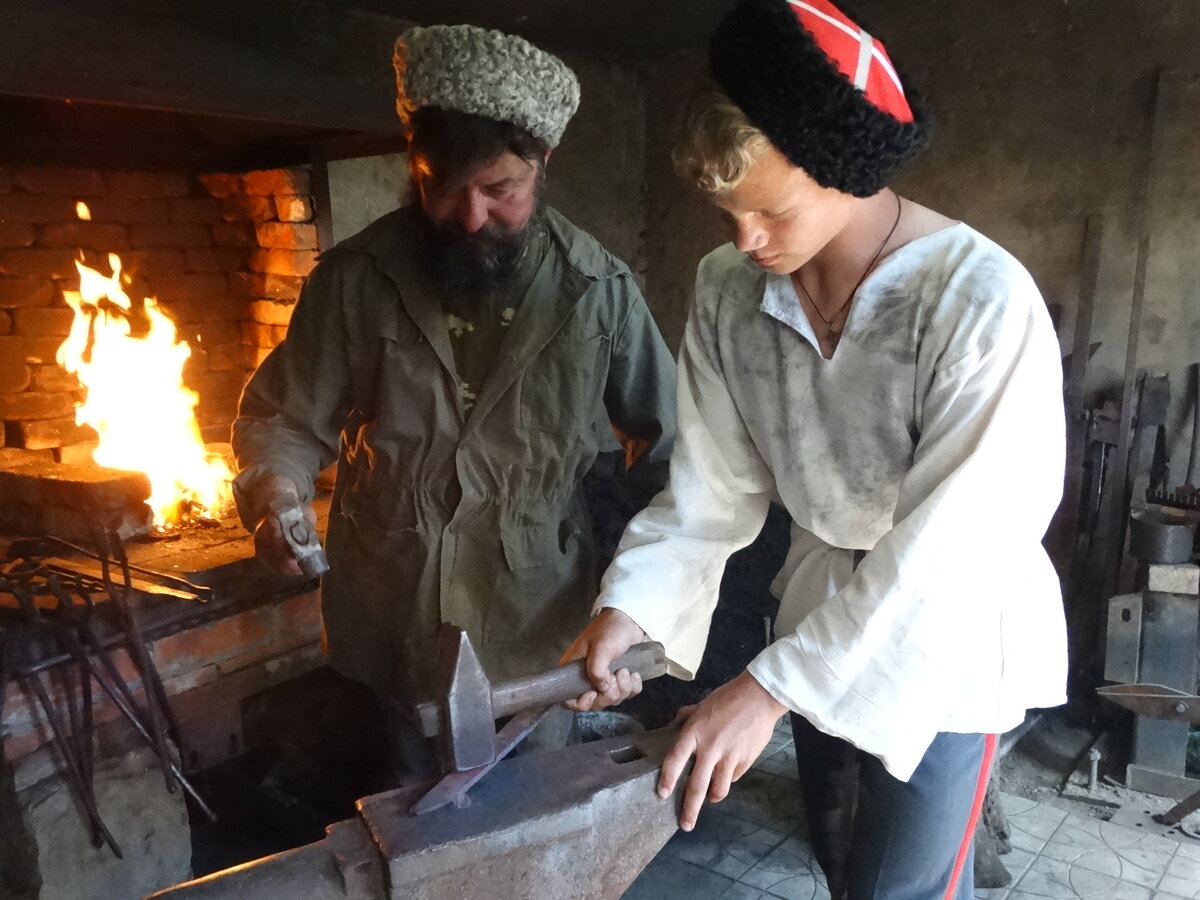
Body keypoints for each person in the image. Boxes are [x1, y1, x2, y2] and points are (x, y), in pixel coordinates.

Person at [562, 1, 1067, 897]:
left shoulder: (977, 300)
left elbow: (953, 545)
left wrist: (768, 689)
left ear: (849, 174)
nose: (747, 240)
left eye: (772, 210)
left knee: (906, 885)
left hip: (949, 632)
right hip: (820, 610)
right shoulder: (729, 292)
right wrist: (631, 606)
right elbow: (710, 490)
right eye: (727, 214)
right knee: (843, 864)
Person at [232, 23, 675, 776]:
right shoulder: (353, 280)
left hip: (536, 617)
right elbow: (284, 417)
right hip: (391, 603)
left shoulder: (597, 292)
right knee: (417, 805)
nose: (469, 217)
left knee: (536, 806)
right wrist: (276, 498)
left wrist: (638, 604)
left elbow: (674, 456)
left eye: (500, 191)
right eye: (441, 185)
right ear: (414, 164)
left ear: (543, 163)